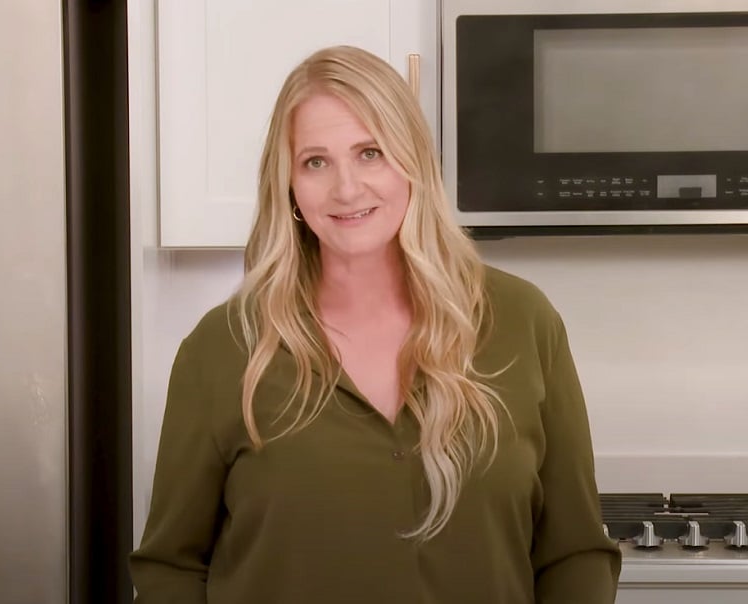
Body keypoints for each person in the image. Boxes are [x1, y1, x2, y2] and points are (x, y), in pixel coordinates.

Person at [129, 45, 621, 603]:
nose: (346, 188)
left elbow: (574, 552)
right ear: (288, 185)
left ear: (412, 162)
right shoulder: (221, 349)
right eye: (316, 161)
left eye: (370, 153)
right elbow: (170, 567)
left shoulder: (524, 323)